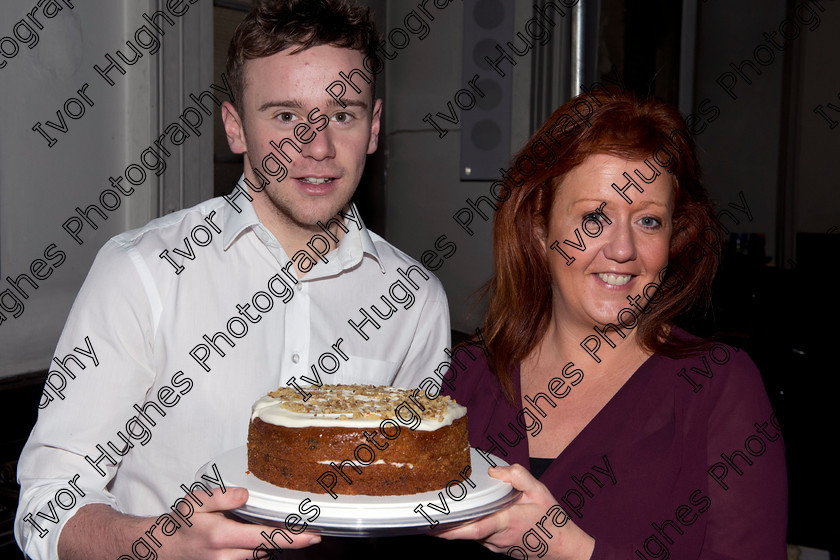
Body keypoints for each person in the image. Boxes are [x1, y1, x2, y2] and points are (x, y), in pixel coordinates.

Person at [14, 1, 450, 559]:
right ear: (235, 128)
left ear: (374, 127)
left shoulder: (415, 303)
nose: (316, 147)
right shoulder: (142, 273)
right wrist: (161, 544)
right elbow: (46, 509)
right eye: (286, 116)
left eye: (342, 115)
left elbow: (399, 494)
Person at [437, 89, 787, 558]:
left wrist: (572, 549)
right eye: (595, 217)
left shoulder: (719, 388)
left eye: (648, 222)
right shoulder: (463, 377)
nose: (622, 249)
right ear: (540, 231)